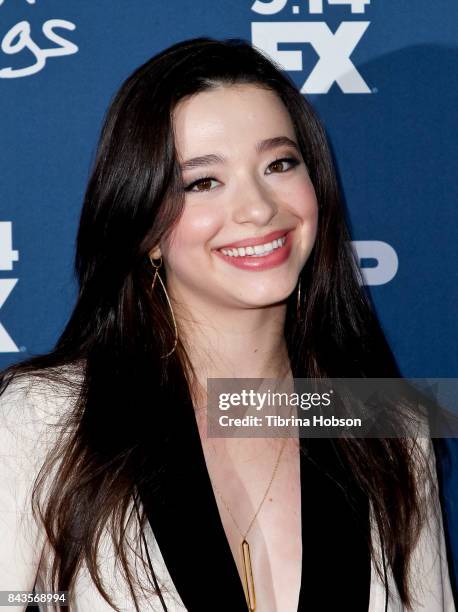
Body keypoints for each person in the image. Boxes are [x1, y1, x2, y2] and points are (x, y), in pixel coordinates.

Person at [0, 37, 454, 612]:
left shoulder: (387, 428)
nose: (260, 208)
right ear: (143, 227)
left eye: (279, 164)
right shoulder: (45, 421)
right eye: (202, 182)